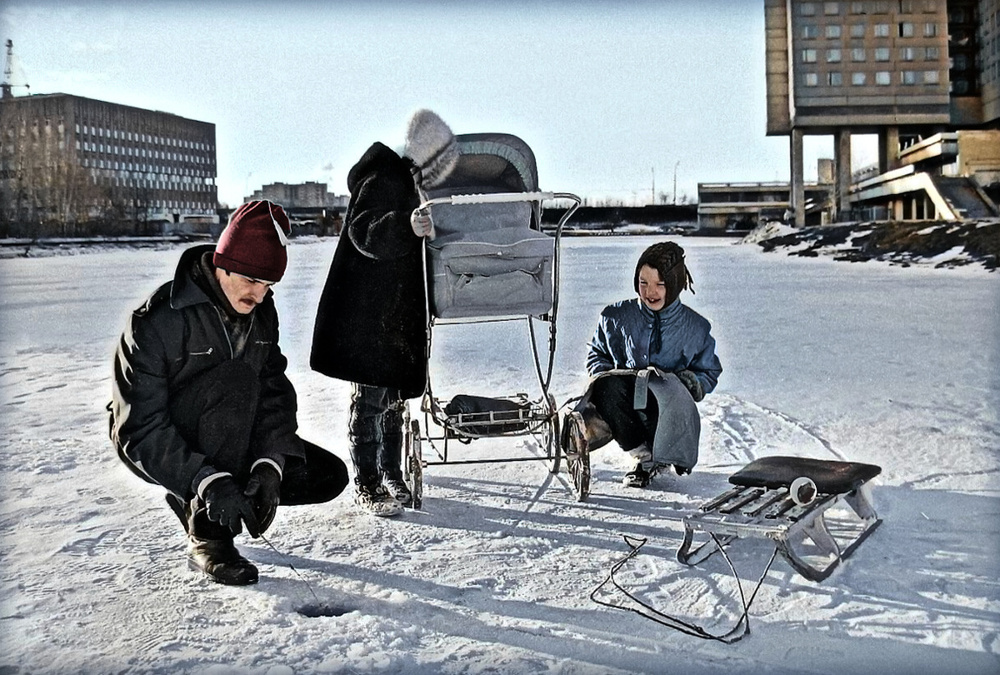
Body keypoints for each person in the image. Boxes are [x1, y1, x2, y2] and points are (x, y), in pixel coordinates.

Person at [109, 200, 350, 585]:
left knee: (325, 476)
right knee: (235, 381)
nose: (260, 294)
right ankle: (208, 535)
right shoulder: (156, 320)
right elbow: (138, 426)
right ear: (223, 263)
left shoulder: (261, 311)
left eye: (269, 284)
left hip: (231, 426)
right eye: (252, 280)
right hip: (157, 434)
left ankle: (204, 490)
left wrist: (269, 466)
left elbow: (274, 390)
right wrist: (209, 482)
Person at [310, 109, 459, 517]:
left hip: (397, 314)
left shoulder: (408, 179)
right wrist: (406, 225)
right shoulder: (382, 175)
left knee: (395, 399)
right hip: (368, 314)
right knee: (371, 398)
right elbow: (364, 230)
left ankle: (392, 471)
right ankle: (368, 481)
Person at [570, 241, 722, 488]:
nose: (650, 291)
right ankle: (644, 457)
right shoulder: (615, 317)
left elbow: (709, 371)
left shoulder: (696, 328)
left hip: (666, 409)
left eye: (660, 284)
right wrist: (604, 378)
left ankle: (667, 453)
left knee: (663, 402)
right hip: (626, 402)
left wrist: (692, 383)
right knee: (608, 388)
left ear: (674, 284)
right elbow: (598, 353)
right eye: (644, 283)